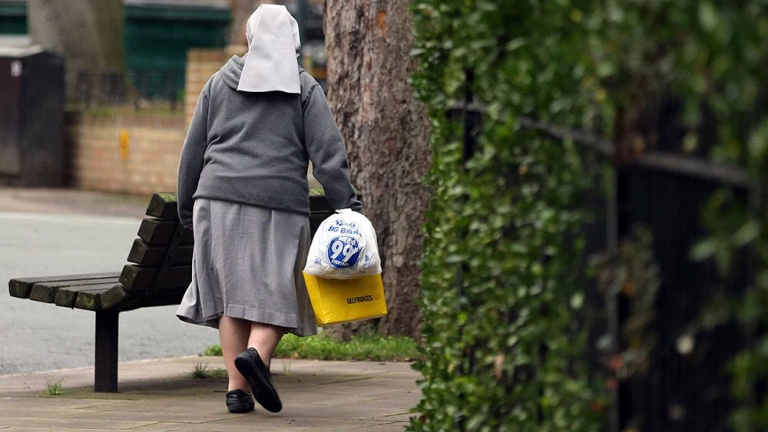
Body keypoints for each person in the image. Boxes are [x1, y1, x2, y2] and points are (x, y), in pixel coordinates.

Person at [175, 4, 361, 414]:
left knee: (231, 300)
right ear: (293, 42)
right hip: (279, 204)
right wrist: (347, 206)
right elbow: (328, 156)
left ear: (250, 37)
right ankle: (256, 356)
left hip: (217, 202)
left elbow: (192, 151)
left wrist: (187, 208)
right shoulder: (304, 88)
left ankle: (237, 391)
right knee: (280, 291)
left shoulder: (219, 82)